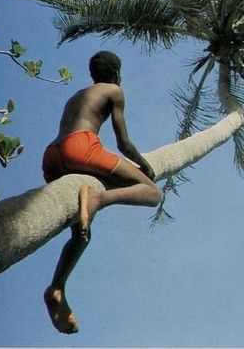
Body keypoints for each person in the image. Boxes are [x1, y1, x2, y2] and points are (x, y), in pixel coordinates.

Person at [41, 50, 161, 334]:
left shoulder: (77, 95)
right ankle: (98, 199)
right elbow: (123, 143)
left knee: (81, 234)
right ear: (117, 73)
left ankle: (57, 287)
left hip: (52, 155)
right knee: (152, 192)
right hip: (81, 146)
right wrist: (144, 166)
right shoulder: (114, 90)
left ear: (92, 74)